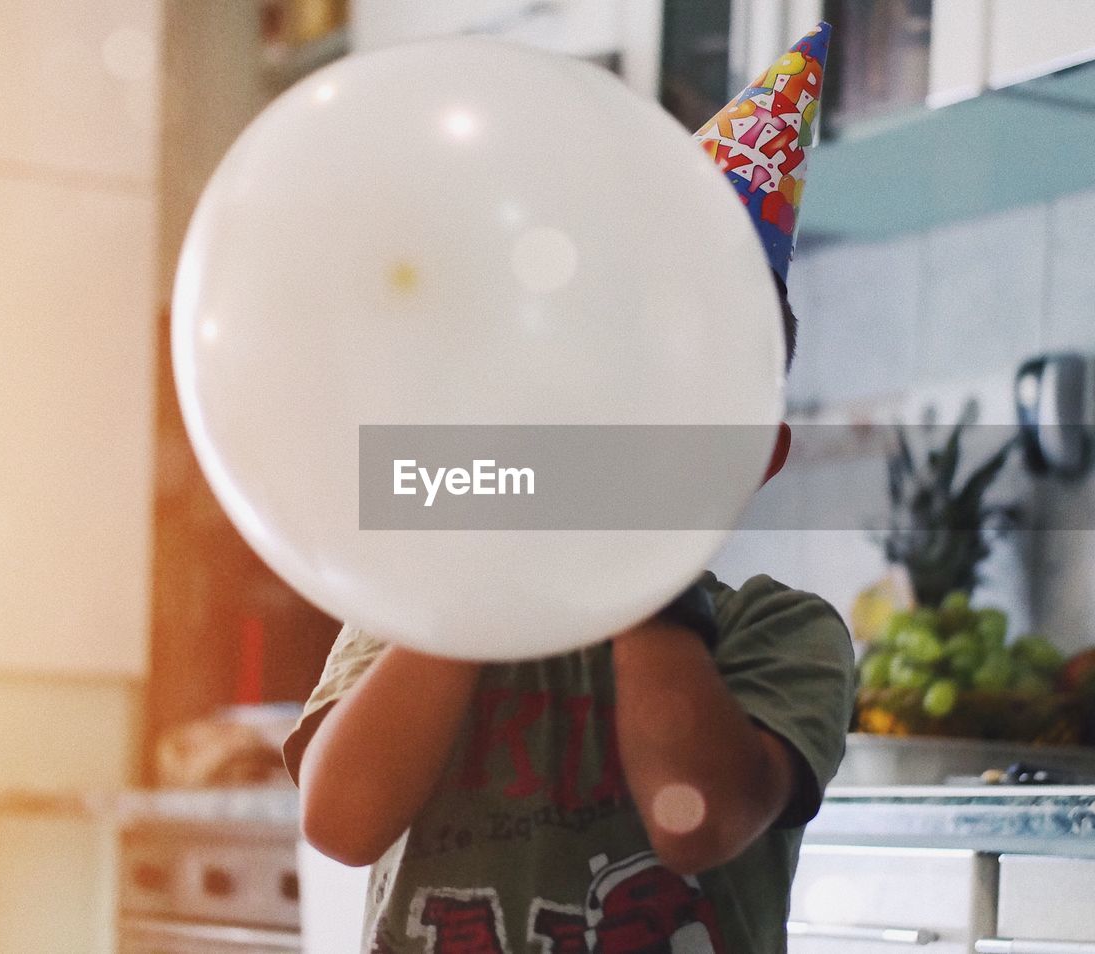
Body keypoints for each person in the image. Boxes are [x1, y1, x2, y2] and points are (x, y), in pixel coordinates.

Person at [284, 23, 855, 954]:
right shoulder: (423, 598)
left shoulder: (782, 632)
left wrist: (639, 563)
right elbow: (341, 823)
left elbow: (695, 823)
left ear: (754, 455)